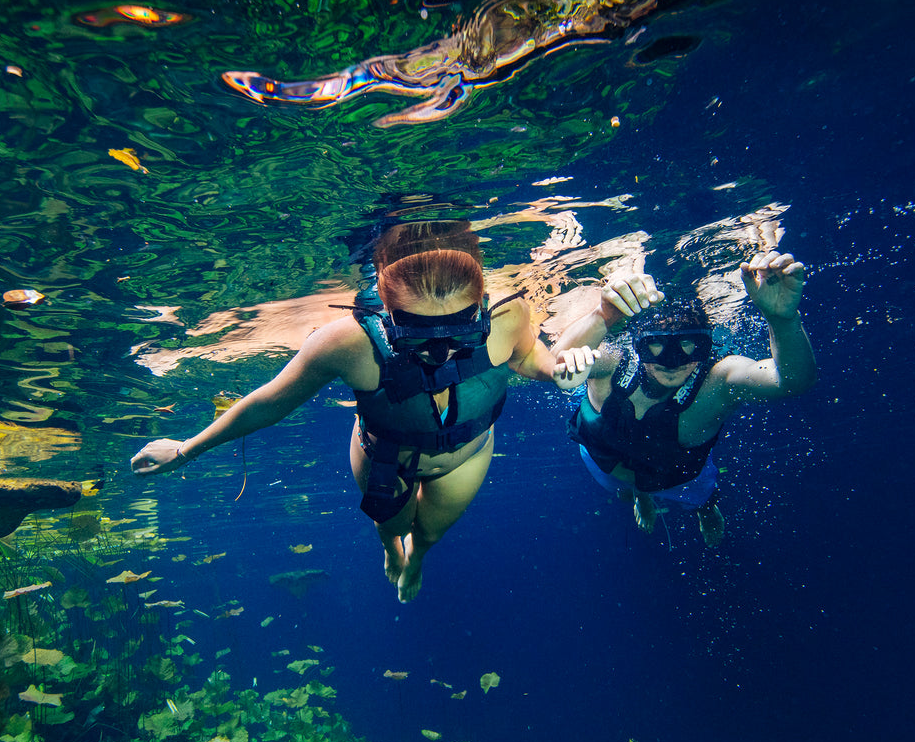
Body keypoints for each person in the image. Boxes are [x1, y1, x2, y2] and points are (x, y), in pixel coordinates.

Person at [131, 222, 579, 601]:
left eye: (459, 334)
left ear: (481, 305)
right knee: (391, 527)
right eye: (418, 338)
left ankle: (416, 557)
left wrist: (559, 368)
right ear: (386, 311)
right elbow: (270, 403)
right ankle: (390, 548)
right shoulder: (347, 343)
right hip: (384, 457)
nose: (441, 355)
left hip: (467, 455)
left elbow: (528, 360)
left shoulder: (510, 316)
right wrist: (186, 450)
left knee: (429, 535)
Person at [550, 251, 816, 546]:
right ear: (639, 344)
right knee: (625, 493)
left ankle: (705, 508)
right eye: (656, 345)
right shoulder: (613, 362)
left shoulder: (719, 381)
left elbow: (792, 381)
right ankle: (641, 495)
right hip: (604, 463)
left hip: (680, 479)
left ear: (706, 345)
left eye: (690, 345)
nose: (673, 360)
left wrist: (781, 319)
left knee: (700, 496)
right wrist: (594, 327)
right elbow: (556, 362)